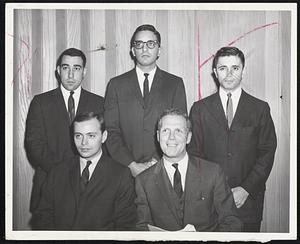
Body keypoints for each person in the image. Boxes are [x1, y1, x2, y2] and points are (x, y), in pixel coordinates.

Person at [188, 46, 277, 232]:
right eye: (223, 68)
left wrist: (246, 189)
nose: (229, 74)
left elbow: (267, 154)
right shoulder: (199, 109)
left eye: (235, 68)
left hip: (248, 202)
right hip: (210, 203)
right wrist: (213, 191)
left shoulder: (260, 108)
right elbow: (194, 154)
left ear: (243, 71)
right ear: (215, 72)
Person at [25, 48, 104, 228]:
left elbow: (102, 146)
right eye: (65, 67)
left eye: (76, 68)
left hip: (89, 186)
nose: (70, 74)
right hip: (49, 187)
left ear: (84, 72)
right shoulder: (40, 102)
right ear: (58, 70)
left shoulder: (99, 103)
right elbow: (34, 146)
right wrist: (63, 175)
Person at [135, 108, 242, 231]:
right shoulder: (143, 181)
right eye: (165, 131)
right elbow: (142, 229)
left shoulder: (212, 173)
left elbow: (232, 222)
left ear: (188, 137)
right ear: (158, 136)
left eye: (178, 131)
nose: (171, 138)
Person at [104, 24, 187, 177]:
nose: (145, 49)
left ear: (159, 50)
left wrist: (157, 160)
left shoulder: (174, 84)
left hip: (162, 168)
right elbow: (111, 131)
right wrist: (132, 165)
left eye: (151, 44)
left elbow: (180, 129)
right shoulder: (116, 85)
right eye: (139, 44)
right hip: (123, 170)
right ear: (132, 50)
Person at [34, 112, 137, 230]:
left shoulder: (121, 175)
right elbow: (42, 217)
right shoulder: (57, 172)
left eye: (91, 136)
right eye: (78, 136)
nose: (84, 143)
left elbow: (125, 226)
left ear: (104, 137)